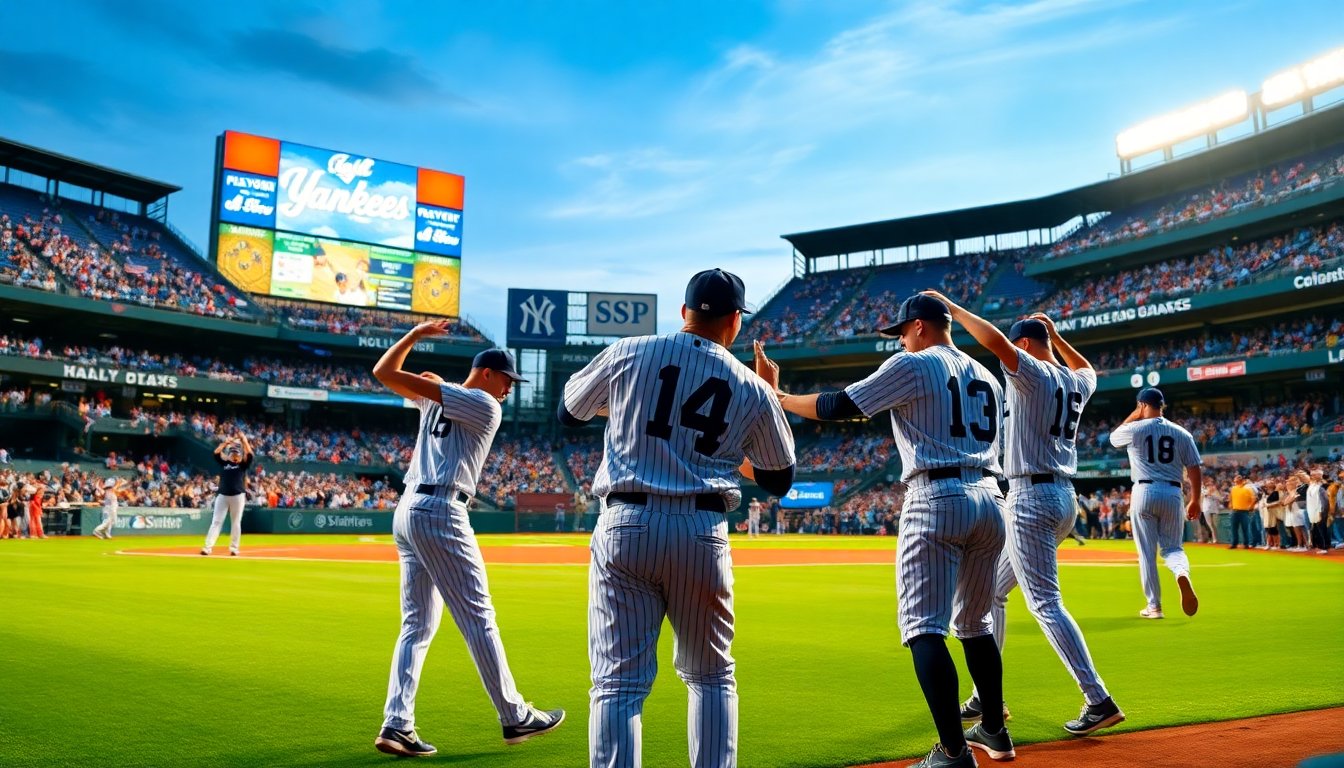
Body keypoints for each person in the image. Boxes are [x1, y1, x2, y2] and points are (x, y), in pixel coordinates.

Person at [559, 268, 796, 768]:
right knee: (711, 676)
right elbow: (778, 479)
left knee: (617, 684)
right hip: (700, 532)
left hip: (626, 524)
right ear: (735, 322)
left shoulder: (630, 350)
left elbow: (568, 412)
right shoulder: (749, 384)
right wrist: (770, 397)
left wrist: (625, 406)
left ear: (684, 311)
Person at [764, 293, 1007, 768]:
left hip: (937, 496)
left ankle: (954, 751)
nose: (899, 339)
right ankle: (995, 731)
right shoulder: (986, 375)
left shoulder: (914, 364)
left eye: (900, 331)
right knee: (975, 624)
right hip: (990, 498)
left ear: (918, 326)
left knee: (923, 628)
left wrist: (780, 397)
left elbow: (840, 405)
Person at [921, 298, 1123, 740]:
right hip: (1063, 496)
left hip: (1031, 497)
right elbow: (1089, 368)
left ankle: (1098, 698)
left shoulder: (1032, 372)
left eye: (1018, 348)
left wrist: (949, 307)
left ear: (1027, 343)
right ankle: (984, 695)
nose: (1012, 356)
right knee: (990, 591)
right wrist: (1058, 337)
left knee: (1045, 603)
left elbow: (994, 341)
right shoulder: (1075, 381)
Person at [371, 324, 564, 758]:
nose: (508, 391)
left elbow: (386, 370)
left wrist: (416, 341)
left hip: (408, 510)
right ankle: (514, 715)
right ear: (489, 373)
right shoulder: (482, 403)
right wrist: (423, 344)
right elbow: (409, 379)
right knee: (479, 616)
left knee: (415, 626)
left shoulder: (445, 400)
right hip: (440, 510)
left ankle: (397, 724)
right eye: (508, 381)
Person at [1108, 388, 1202, 619]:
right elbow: (1194, 468)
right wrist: (1195, 500)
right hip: (1173, 492)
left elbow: (1113, 438)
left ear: (1142, 404)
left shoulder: (1135, 428)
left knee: (1147, 554)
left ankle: (1154, 606)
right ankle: (1181, 573)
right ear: (1163, 406)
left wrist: (1135, 414)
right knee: (1173, 548)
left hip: (1144, 490)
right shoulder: (1182, 433)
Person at [201, 434, 254, 557]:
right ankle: (207, 548)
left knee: (236, 522)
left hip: (238, 495)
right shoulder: (224, 463)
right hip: (223, 495)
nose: (234, 455)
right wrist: (226, 443)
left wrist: (244, 440)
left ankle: (234, 549)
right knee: (216, 522)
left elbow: (250, 454)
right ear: (229, 454)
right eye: (232, 453)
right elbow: (216, 452)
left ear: (239, 455)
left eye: (236, 453)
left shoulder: (242, 465)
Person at [1227, 475, 1256, 549]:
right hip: (1235, 510)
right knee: (1234, 528)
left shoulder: (1248, 488)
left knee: (1245, 528)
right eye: (1235, 479)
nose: (1236, 481)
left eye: (1237, 479)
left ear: (1241, 480)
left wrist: (1251, 506)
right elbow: (1230, 497)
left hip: (1244, 511)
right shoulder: (1233, 489)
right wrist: (1230, 504)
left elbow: (1254, 498)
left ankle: (1246, 544)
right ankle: (1234, 543)